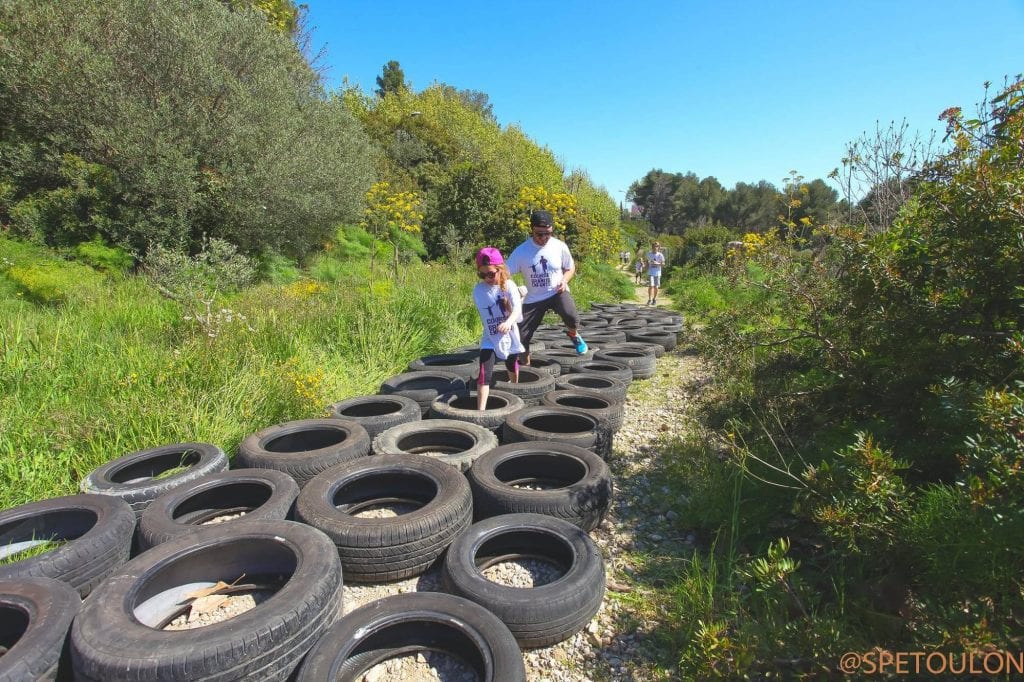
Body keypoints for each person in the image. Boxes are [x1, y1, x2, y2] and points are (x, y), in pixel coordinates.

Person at [506, 209, 587, 365]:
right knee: (521, 336)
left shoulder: (559, 246)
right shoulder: (521, 251)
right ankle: (526, 365)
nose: (544, 238)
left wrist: (564, 281)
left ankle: (574, 335)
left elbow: (570, 268)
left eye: (547, 233)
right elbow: (506, 273)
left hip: (557, 293)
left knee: (572, 316)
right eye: (539, 234)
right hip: (534, 297)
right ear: (532, 230)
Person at [472, 247, 523, 411]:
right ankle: (481, 411)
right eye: (482, 274)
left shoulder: (509, 286)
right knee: (484, 373)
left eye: (491, 274)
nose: (487, 278)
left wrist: (508, 322)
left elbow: (517, 311)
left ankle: (515, 389)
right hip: (490, 337)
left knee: (511, 363)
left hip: (510, 335)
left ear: (500, 270)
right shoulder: (478, 290)